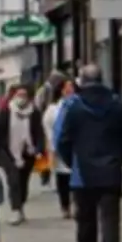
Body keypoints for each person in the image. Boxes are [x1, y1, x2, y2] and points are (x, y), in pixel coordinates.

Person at [55, 64, 122, 242]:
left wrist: (72, 162)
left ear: (82, 80)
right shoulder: (118, 105)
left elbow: (63, 140)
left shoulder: (74, 106)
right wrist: (120, 159)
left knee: (86, 224)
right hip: (111, 172)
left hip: (82, 174)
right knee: (110, 223)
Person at [0, 84, 44, 225]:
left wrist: (39, 149)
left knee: (23, 182)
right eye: (18, 95)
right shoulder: (6, 112)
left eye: (24, 95)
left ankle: (21, 205)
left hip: (27, 152)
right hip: (7, 152)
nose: (21, 98)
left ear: (29, 98)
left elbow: (39, 133)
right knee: (13, 180)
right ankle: (15, 209)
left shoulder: (34, 113)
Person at [42, 77, 76, 218]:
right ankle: (65, 206)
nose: (69, 90)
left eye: (71, 87)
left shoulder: (79, 106)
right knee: (63, 179)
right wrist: (52, 144)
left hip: (76, 148)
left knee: (76, 179)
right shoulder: (53, 109)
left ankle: (76, 204)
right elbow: (47, 126)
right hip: (60, 148)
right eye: (66, 87)